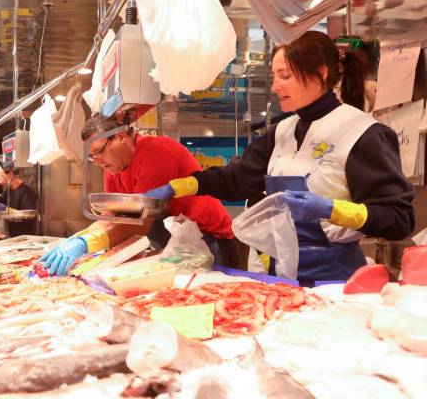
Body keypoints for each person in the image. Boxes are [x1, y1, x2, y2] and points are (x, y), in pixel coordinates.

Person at [144, 31, 415, 285]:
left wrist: (330, 209)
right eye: (274, 76)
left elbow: (398, 218)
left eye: (284, 76)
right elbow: (237, 180)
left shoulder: (362, 133)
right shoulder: (283, 131)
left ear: (319, 74)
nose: (274, 86)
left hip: (335, 283)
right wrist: (179, 187)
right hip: (281, 278)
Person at [40, 115, 234, 276]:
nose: (97, 161)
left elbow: (140, 225)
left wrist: (87, 244)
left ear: (121, 137)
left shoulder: (155, 153)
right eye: (92, 157)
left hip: (208, 239)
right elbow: (112, 218)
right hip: (172, 241)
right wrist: (78, 238)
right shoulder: (113, 167)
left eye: (99, 151)